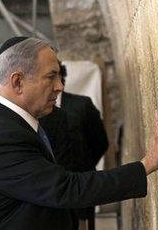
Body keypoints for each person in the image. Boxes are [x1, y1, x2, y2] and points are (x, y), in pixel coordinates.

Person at [0, 37, 158, 229]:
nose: (60, 87)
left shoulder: (7, 124)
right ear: (18, 82)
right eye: (51, 77)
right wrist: (145, 166)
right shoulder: (0, 137)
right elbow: (66, 189)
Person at [58, 63, 110, 230]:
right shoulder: (33, 110)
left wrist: (83, 166)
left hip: (79, 185)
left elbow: (100, 142)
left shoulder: (81, 105)